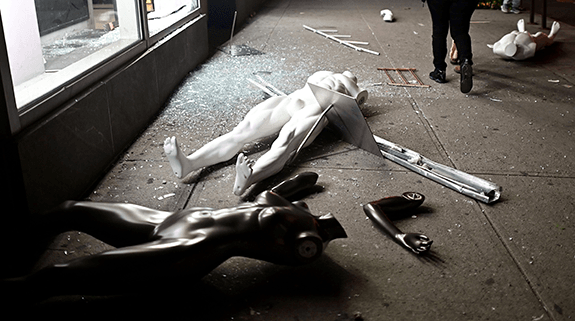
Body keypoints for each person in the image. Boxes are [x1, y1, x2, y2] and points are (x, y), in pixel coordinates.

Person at [3, 172, 346, 299]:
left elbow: (298, 248)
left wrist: (313, 239)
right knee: (70, 209)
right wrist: (300, 183)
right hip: (169, 221)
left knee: (61, 276)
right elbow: (299, 181)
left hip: (188, 249)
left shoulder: (305, 239)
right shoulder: (298, 212)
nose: (330, 219)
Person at [164, 71, 368, 196]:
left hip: (317, 109)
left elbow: (353, 110)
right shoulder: (328, 75)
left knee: (286, 142)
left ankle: (251, 177)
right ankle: (188, 163)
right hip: (291, 100)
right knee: (242, 131)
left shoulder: (352, 87)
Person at [488, 19, 560, 60]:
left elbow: (495, 45)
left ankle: (521, 31)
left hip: (519, 36)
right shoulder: (524, 53)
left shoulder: (499, 48)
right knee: (540, 36)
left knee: (515, 33)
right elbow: (533, 46)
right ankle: (552, 35)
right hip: (529, 40)